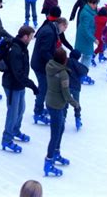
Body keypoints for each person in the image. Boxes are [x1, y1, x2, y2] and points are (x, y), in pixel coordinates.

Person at [1, 25, 38, 153]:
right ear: (25, 36)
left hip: (19, 84)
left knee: (21, 109)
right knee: (13, 112)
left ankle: (15, 130)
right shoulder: (16, 50)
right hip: (12, 85)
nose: (32, 39)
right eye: (31, 36)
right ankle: (7, 139)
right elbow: (18, 73)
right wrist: (32, 85)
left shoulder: (22, 46)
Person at [43, 48, 79, 177]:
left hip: (50, 101)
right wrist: (76, 104)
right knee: (55, 134)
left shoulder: (49, 66)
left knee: (61, 128)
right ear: (64, 59)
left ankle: (56, 153)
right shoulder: (63, 74)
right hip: (57, 105)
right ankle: (48, 161)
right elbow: (66, 94)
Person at [31, 7, 66, 125]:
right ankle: (38, 112)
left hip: (40, 63)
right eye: (64, 28)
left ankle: (39, 108)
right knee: (43, 88)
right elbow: (44, 51)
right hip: (40, 65)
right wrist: (54, 63)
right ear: (60, 24)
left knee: (44, 87)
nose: (64, 31)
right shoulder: (50, 32)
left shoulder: (50, 29)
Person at [74, 0, 99, 82]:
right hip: (85, 37)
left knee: (85, 56)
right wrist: (93, 39)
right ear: (89, 3)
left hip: (85, 36)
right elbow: (85, 29)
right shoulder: (86, 14)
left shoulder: (88, 11)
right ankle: (82, 74)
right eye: (94, 4)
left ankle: (81, 73)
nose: (95, 6)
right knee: (87, 56)